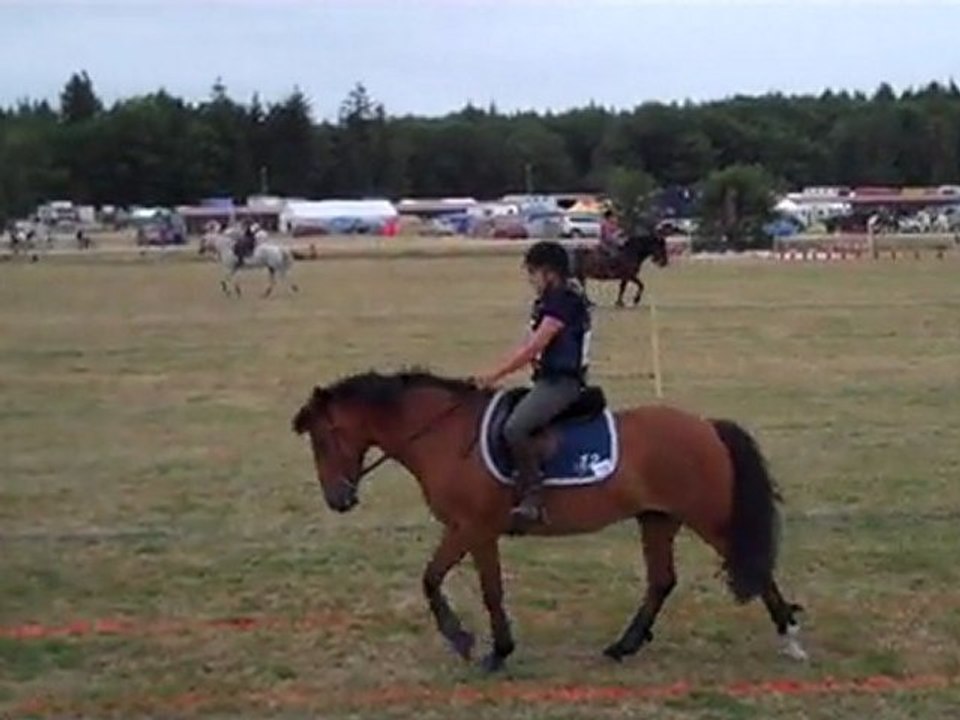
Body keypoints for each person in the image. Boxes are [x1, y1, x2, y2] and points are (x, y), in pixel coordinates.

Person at [475, 240, 592, 530]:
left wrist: (494, 375)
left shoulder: (564, 301)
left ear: (549, 273)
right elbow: (527, 345)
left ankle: (533, 497)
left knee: (515, 428)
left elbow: (535, 347)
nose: (531, 280)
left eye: (533, 273)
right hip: (545, 380)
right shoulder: (548, 302)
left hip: (562, 383)